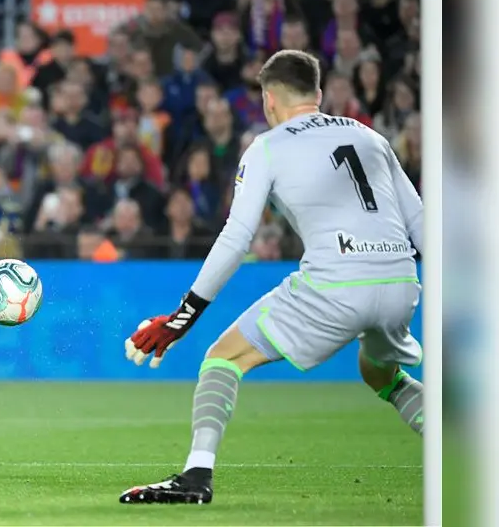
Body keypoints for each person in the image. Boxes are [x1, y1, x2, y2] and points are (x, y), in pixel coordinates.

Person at [119, 50, 423, 504]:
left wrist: (183, 317)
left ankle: (196, 476)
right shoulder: (369, 136)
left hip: (336, 283)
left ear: (268, 100)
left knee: (223, 357)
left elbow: (236, 238)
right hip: (400, 280)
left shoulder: (267, 146)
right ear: (318, 94)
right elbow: (420, 222)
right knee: (379, 371)